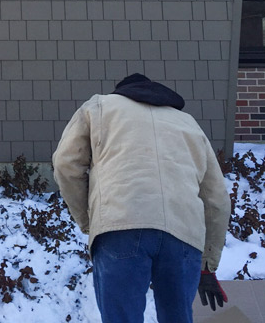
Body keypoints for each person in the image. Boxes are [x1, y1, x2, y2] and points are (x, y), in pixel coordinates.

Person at [52, 73, 231, 323]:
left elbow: (66, 164)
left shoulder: (99, 106)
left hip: (121, 225)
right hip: (183, 234)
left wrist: (89, 221)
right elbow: (217, 199)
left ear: (121, 92)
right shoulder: (188, 123)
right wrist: (207, 264)